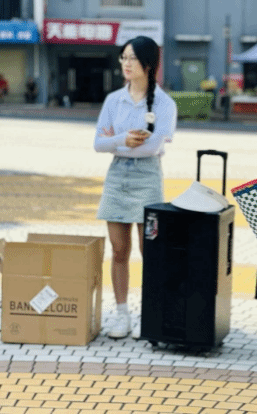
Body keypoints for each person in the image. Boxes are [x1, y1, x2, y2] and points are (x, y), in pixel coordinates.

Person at [94, 36, 177, 339]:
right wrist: (124, 140)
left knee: (150, 251)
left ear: (148, 64)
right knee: (119, 250)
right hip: (117, 176)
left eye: (132, 58)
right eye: (123, 58)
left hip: (147, 176)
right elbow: (98, 143)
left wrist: (117, 142)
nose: (126, 64)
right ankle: (121, 314)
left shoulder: (165, 104)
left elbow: (152, 146)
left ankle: (150, 313)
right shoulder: (113, 100)